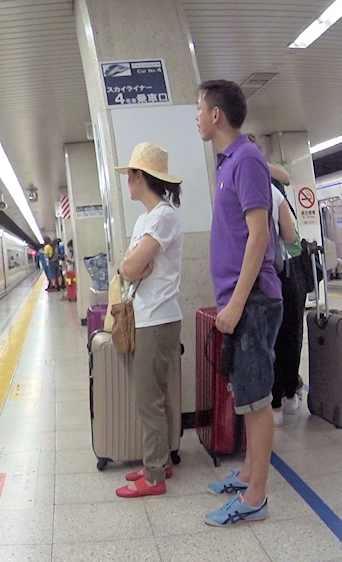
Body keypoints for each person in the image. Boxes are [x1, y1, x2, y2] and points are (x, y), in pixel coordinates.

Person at [197, 79, 282, 526]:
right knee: (247, 394)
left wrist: (236, 303)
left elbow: (260, 234)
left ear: (216, 115)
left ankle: (256, 497)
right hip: (240, 299)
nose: (196, 116)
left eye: (199, 108)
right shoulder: (228, 163)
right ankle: (248, 472)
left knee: (256, 399)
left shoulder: (247, 158)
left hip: (253, 301)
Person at [111, 143, 184, 498]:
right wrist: (135, 267)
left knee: (148, 399)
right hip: (147, 317)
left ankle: (155, 477)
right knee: (156, 395)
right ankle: (161, 460)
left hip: (159, 319)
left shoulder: (164, 217)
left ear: (141, 177)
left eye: (130, 176)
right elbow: (130, 267)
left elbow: (128, 267)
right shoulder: (145, 220)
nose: (128, 182)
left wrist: (134, 267)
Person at [248, 135, 305, 427]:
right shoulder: (273, 192)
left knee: (263, 341)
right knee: (287, 335)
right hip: (280, 274)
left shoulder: (233, 189)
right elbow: (291, 237)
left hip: (251, 279)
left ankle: (270, 404)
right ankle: (287, 397)